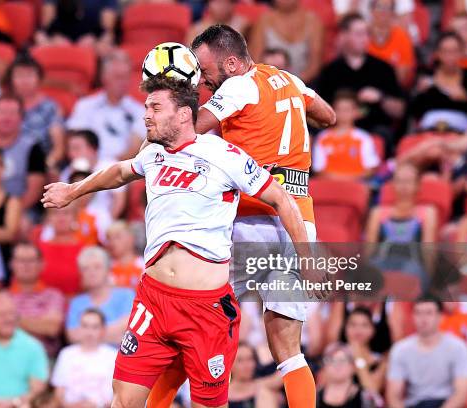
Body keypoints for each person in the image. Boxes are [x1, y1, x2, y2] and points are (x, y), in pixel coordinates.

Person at [42, 74, 315, 408]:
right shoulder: (152, 154)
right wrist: (72, 190)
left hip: (206, 309)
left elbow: (281, 200)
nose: (146, 115)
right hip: (153, 300)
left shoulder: (225, 155)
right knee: (124, 400)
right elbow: (118, 173)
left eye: (155, 107)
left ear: (184, 114)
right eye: (146, 107)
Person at [145, 24, 333, 408]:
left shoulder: (237, 86)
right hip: (300, 220)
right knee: (288, 348)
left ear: (231, 63)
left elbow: (189, 129)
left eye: (203, 68)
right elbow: (327, 115)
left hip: (252, 220)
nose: (200, 78)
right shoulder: (286, 78)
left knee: (193, 324)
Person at [316, 13, 405, 149]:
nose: (364, 39)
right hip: (337, 130)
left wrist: (380, 97)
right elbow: (319, 112)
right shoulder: (330, 71)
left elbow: (400, 110)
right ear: (344, 36)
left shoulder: (383, 69)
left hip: (374, 130)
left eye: (367, 34)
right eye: (358, 34)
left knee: (383, 135)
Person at [386, 296, 467, 408]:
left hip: (446, 403)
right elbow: (393, 395)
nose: (423, 318)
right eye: (418, 313)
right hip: (414, 404)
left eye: (429, 313)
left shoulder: (458, 347)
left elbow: (461, 393)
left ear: (440, 317)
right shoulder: (400, 350)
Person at [365, 163, 437, 289]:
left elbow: (428, 249)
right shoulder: (378, 213)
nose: (403, 186)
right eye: (399, 181)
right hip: (383, 263)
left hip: (413, 266)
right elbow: (369, 249)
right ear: (393, 184)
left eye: (408, 181)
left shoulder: (427, 213)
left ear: (418, 185)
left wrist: (429, 279)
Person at [65, 50, 146, 162]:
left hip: (119, 169)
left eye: (126, 77)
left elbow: (134, 150)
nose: (123, 82)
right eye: (118, 77)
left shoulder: (140, 111)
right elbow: (75, 141)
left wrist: (108, 169)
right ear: (104, 77)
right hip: (86, 165)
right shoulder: (85, 106)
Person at [410, 32, 467, 134]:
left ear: (461, 52)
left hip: (460, 133)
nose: (450, 56)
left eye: (454, 51)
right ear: (438, 53)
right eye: (445, 51)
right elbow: (414, 112)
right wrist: (419, 92)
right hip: (430, 130)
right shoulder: (427, 76)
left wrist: (466, 98)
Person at [3, 54, 65, 167]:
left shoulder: (50, 107)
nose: (24, 81)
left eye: (29, 75)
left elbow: (58, 149)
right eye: (19, 75)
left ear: (39, 78)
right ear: (11, 79)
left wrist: (44, 166)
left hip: (41, 163)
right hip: (5, 162)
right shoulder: (2, 104)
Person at [65, 246, 134, 344]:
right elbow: (73, 336)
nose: (91, 272)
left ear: (108, 269)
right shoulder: (77, 303)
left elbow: (131, 332)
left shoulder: (127, 296)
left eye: (97, 267)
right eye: (85, 268)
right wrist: (116, 335)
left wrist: (88, 335)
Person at [8, 242, 65, 357]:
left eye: (31, 260)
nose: (26, 265)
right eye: (20, 260)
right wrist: (37, 324)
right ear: (12, 264)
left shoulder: (53, 296)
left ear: (42, 264)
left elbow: (52, 328)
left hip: (44, 359)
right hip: (8, 359)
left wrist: (11, 320)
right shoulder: (1, 297)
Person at [51, 308, 116, 407]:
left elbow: (119, 394)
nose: (89, 332)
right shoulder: (66, 354)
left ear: (103, 330)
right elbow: (58, 394)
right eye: (85, 326)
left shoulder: (114, 356)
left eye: (95, 327)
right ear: (79, 328)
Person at [59, 129, 127, 222]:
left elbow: (119, 200)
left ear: (93, 149)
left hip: (104, 220)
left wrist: (106, 227)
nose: (71, 154)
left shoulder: (111, 166)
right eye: (70, 149)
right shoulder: (67, 172)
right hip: (77, 223)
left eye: (76, 148)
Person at [249, 0, 324, 83]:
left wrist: (295, 85)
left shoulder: (313, 21)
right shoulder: (264, 20)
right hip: (270, 83)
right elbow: (255, 60)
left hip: (304, 84)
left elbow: (315, 64)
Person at [313, 90, 381, 179]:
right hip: (329, 186)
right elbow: (318, 169)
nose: (343, 113)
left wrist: (348, 181)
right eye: (339, 109)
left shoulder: (363, 138)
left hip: (355, 187)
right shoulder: (323, 138)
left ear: (356, 112)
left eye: (347, 110)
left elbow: (370, 169)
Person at [31, 202, 87, 295]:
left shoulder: (84, 250)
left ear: (75, 217)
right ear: (48, 218)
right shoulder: (38, 249)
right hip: (44, 303)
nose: (61, 218)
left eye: (66, 213)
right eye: (55, 213)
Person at [35, 0, 118, 55]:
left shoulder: (92, 19)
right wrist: (49, 44)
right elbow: (43, 31)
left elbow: (107, 32)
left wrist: (97, 43)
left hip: (91, 43)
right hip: (59, 42)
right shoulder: (55, 20)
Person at [367, 0, 416, 88]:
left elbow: (402, 75)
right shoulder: (363, 34)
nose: (383, 11)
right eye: (379, 7)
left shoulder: (402, 37)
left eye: (388, 8)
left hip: (392, 90)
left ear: (393, 13)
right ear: (371, 10)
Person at [317, 342, 382, 408]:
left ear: (353, 366)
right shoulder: (314, 396)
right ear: (324, 366)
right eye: (331, 360)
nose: (337, 365)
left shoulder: (367, 398)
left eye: (342, 360)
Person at [342, 307, 387, 394]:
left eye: (364, 325)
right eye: (353, 325)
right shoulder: (334, 355)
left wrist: (358, 356)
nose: (358, 330)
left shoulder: (381, 362)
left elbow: (372, 391)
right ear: (345, 329)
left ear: (373, 330)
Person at [228, 342, 283, 408]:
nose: (246, 365)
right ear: (229, 364)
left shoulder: (262, 386)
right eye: (240, 360)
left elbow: (280, 375)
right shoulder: (222, 395)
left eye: (250, 359)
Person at [106, 220, 144, 289]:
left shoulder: (144, 266)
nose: (112, 242)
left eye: (117, 237)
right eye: (109, 238)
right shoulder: (106, 269)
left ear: (131, 239)